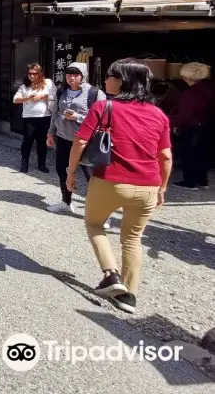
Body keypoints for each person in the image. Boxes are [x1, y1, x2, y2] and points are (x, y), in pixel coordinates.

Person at [65, 59, 172, 314]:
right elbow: (165, 156)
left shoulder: (104, 106)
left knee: (93, 223)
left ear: (122, 80)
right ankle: (128, 297)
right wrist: (162, 188)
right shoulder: (158, 113)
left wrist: (71, 173)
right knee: (132, 239)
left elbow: (80, 143)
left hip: (109, 180)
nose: (105, 80)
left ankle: (111, 275)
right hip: (148, 184)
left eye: (110, 75)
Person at [46, 62, 106, 215]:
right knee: (62, 170)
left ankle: (102, 212)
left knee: (90, 176)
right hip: (63, 137)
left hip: (86, 140)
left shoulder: (94, 93)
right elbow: (55, 113)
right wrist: (51, 132)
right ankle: (66, 202)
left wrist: (77, 117)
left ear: (83, 75)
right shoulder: (62, 91)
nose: (71, 78)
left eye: (75, 75)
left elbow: (103, 118)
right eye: (68, 75)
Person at [171, 62, 214, 190]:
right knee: (202, 154)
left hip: (192, 127)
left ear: (186, 77)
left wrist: (174, 124)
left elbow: (185, 114)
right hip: (207, 125)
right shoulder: (208, 90)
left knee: (189, 154)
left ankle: (190, 182)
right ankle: (203, 180)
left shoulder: (189, 94)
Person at [13, 63, 56, 173]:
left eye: (35, 73)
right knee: (27, 140)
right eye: (30, 73)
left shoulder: (48, 83)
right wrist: (27, 97)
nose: (32, 76)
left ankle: (41, 163)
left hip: (44, 116)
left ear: (40, 73)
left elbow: (56, 96)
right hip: (29, 117)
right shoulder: (24, 86)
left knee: (42, 142)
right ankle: (24, 162)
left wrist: (43, 96)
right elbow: (15, 100)